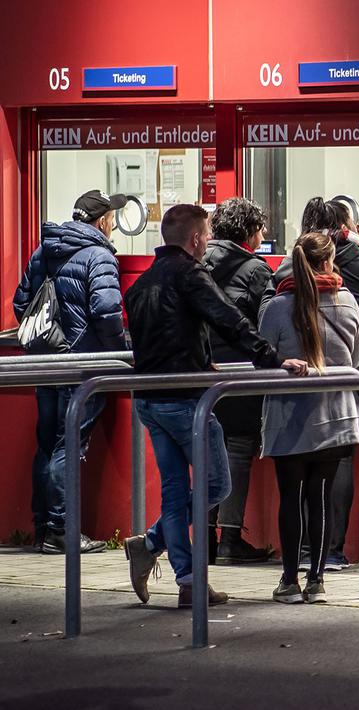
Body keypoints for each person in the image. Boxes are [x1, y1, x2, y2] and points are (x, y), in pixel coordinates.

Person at [122, 204, 308, 609]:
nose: (209, 241)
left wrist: (200, 357)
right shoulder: (190, 275)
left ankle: (187, 579)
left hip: (149, 402)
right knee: (217, 485)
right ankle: (153, 542)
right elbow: (229, 318)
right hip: (186, 401)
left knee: (175, 493)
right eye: (205, 235)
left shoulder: (140, 284)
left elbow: (156, 339)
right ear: (194, 239)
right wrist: (273, 358)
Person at [271, 197, 359, 571]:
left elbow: (267, 327)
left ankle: (299, 557)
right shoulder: (352, 259)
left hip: (294, 380)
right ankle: (329, 552)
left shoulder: (289, 263)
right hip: (343, 375)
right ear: (343, 229)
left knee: (296, 472)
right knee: (334, 464)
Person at [13, 190, 127, 554]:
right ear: (103, 221)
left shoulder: (45, 249)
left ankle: (43, 527)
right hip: (83, 366)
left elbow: (21, 303)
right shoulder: (100, 255)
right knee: (68, 445)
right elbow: (107, 311)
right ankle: (62, 530)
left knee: (48, 443)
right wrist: (118, 353)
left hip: (44, 362)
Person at [260, 231, 359, 604]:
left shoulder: (275, 307)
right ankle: (317, 580)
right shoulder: (348, 302)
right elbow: (354, 358)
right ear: (328, 261)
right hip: (335, 414)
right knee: (320, 497)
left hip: (289, 416)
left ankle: (289, 579)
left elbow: (263, 353)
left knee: (291, 496)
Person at [203, 197, 275, 564]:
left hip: (203, 373)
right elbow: (269, 321)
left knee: (207, 452)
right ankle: (230, 539)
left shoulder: (196, 261)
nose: (263, 236)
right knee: (239, 451)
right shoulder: (256, 269)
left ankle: (206, 540)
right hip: (243, 373)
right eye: (260, 229)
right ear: (248, 233)